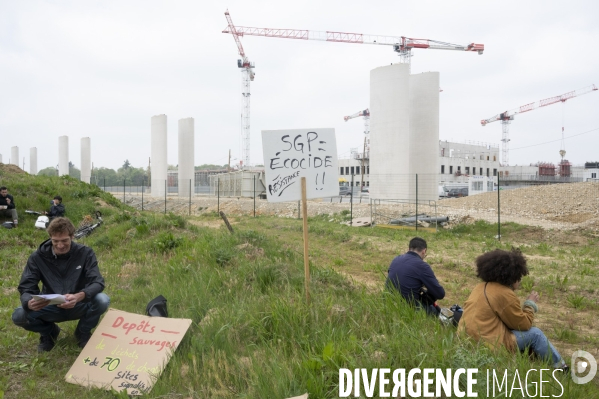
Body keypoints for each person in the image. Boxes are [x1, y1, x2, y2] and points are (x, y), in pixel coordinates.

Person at [458, 249, 568, 371]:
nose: (520, 281)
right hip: (488, 344)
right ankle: (561, 367)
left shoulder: (479, 287)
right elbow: (524, 325)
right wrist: (530, 304)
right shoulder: (504, 293)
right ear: (512, 276)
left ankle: (533, 360)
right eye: (519, 276)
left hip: (466, 340)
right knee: (535, 334)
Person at [12, 217, 110, 353]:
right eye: (55, 241)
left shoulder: (85, 253)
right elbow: (26, 286)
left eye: (65, 240)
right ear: (50, 237)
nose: (60, 245)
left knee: (102, 300)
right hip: (50, 306)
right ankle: (49, 332)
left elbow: (97, 282)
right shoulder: (37, 257)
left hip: (78, 303)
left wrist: (79, 296)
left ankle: (83, 332)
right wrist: (28, 302)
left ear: (72, 236)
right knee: (19, 315)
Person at [386, 237, 445, 316]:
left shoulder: (396, 259)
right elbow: (440, 294)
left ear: (409, 249)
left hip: (388, 303)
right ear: (424, 251)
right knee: (435, 311)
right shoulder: (422, 266)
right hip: (408, 307)